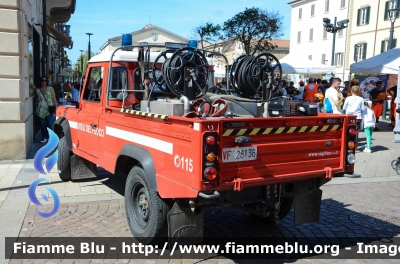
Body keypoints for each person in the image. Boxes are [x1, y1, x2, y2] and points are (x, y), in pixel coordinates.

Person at [36, 76, 57, 143]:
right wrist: (37, 100)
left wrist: (56, 107)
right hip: (41, 109)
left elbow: (54, 98)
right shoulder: (38, 90)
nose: (44, 82)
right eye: (42, 80)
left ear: (47, 82)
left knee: (49, 123)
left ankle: (50, 137)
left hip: (49, 108)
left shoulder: (51, 89)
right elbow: (36, 99)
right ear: (40, 81)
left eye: (45, 81)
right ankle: (44, 137)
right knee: (42, 124)